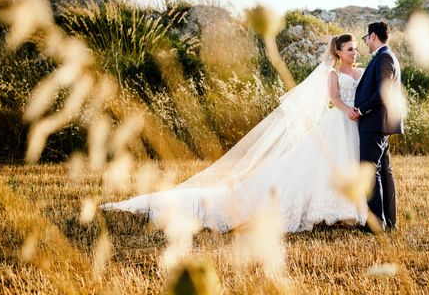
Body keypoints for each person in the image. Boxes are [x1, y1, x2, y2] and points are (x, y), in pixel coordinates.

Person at [102, 34, 369, 232]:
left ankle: (348, 211)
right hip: (341, 119)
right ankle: (330, 212)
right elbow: (334, 99)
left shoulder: (361, 71)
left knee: (348, 165)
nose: (354, 53)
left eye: (356, 49)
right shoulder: (333, 74)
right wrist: (348, 110)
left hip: (355, 125)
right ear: (337, 52)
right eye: (349, 50)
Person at [349, 22, 403, 232]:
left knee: (370, 172)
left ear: (372, 36)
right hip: (381, 122)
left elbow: (383, 92)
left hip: (374, 122)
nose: (365, 43)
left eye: (365, 38)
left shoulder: (384, 57)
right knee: (384, 172)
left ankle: (377, 224)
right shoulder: (387, 56)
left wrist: (361, 110)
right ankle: (389, 222)